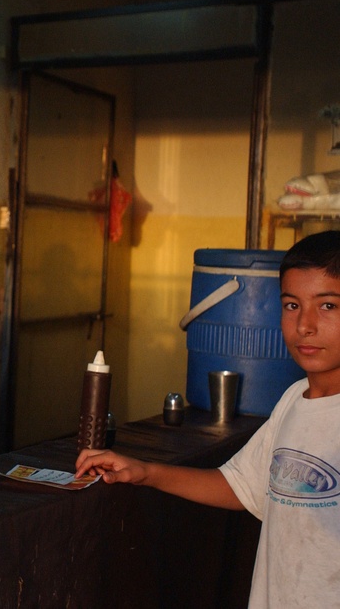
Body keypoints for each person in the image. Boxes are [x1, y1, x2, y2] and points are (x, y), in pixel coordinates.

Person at [75, 230, 340, 608]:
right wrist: (145, 472)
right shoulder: (292, 401)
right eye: (292, 305)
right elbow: (240, 486)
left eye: (328, 305)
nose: (305, 325)